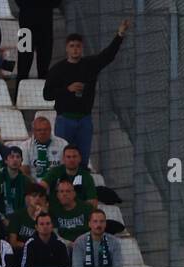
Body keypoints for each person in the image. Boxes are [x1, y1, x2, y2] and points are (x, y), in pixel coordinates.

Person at [43, 20, 131, 166]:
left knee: (82, 160)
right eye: (72, 46)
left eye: (78, 46)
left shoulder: (90, 65)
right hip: (65, 119)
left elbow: (108, 55)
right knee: (63, 160)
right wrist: (67, 90)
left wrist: (120, 35)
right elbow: (47, 95)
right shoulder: (57, 70)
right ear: (67, 49)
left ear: (82, 48)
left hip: (85, 120)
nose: (75, 49)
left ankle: (79, 186)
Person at [16, 0, 62, 80]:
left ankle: (43, 92)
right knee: (23, 68)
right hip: (26, 29)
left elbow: (56, 3)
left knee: (43, 69)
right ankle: (19, 91)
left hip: (45, 29)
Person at [22, 114, 67, 182]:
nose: (42, 132)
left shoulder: (63, 144)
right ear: (33, 131)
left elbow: (66, 168)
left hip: (57, 184)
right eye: (39, 130)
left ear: (50, 129)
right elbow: (25, 171)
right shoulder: (25, 146)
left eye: (45, 129)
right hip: (34, 183)